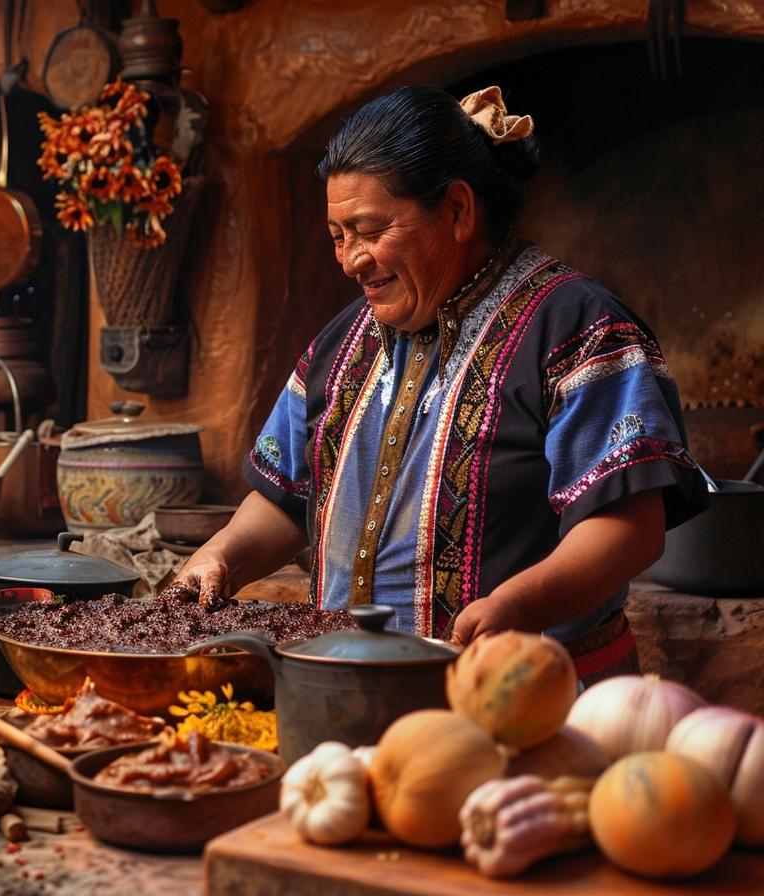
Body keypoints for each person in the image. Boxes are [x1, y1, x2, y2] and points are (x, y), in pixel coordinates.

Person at [171, 86, 706, 683]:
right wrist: (222, 554)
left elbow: (630, 528)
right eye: (336, 235)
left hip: (531, 699)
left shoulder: (578, 329)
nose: (350, 260)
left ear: (457, 210)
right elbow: (285, 498)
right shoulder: (342, 342)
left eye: (369, 230)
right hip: (350, 692)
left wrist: (518, 605)